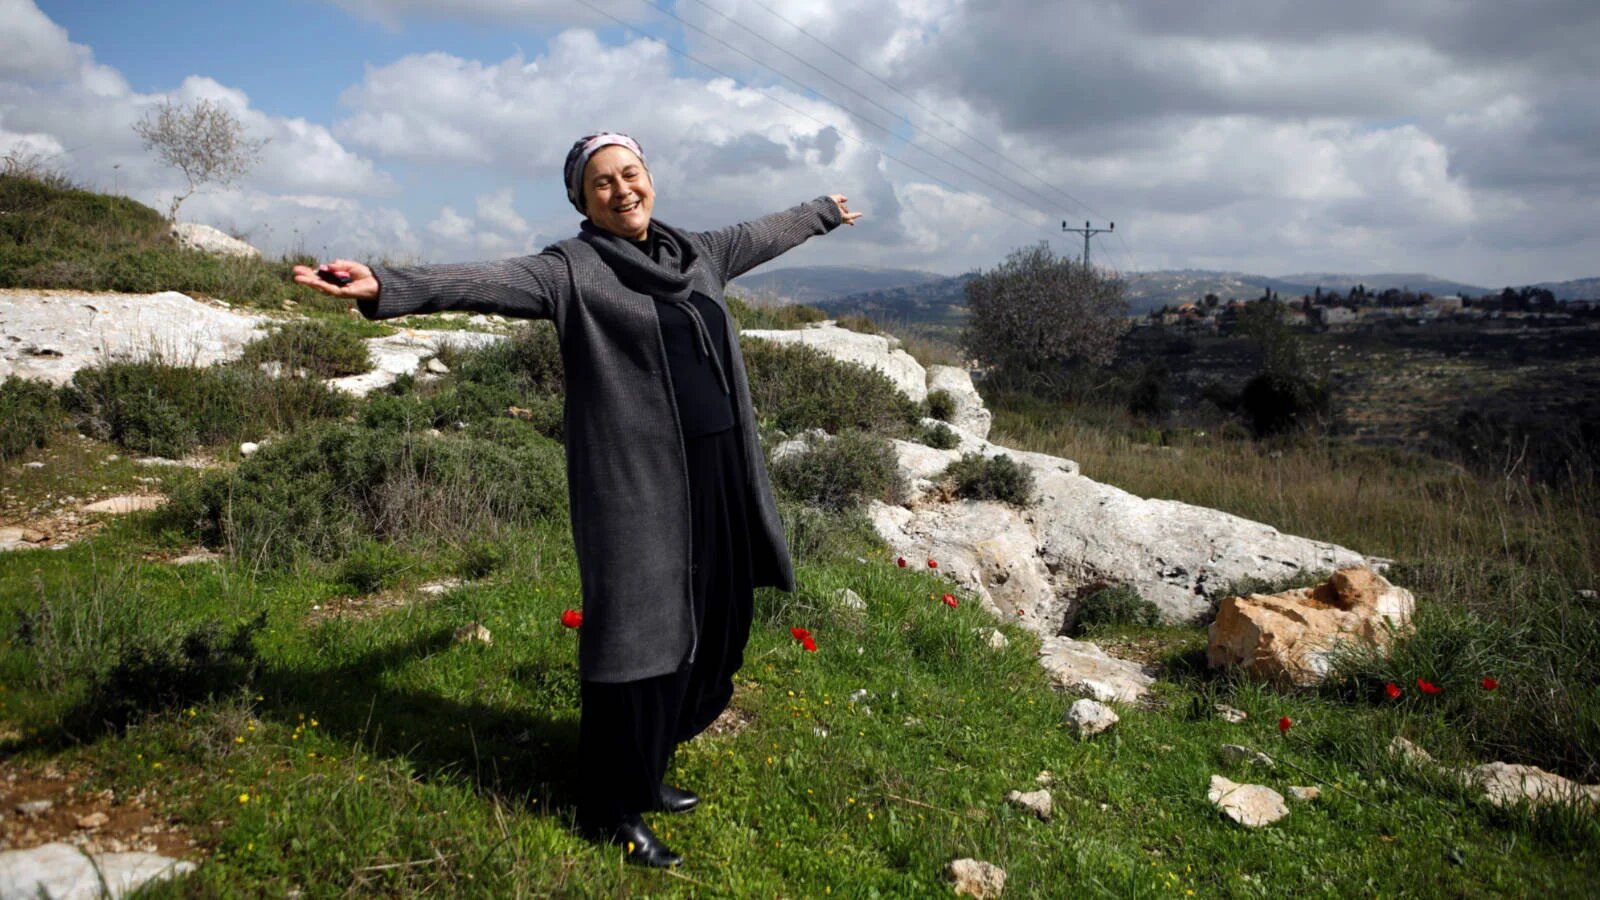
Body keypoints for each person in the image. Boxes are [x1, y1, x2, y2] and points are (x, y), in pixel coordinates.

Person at [292, 132, 861, 868]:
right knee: (639, 641)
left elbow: (764, 231)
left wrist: (822, 210)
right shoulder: (573, 271)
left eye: (631, 173)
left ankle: (648, 769)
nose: (622, 189)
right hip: (640, 488)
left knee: (719, 615)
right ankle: (608, 806)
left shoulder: (697, 252)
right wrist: (386, 288)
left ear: (650, 178)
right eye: (602, 182)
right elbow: (483, 280)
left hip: (719, 472)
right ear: (581, 199)